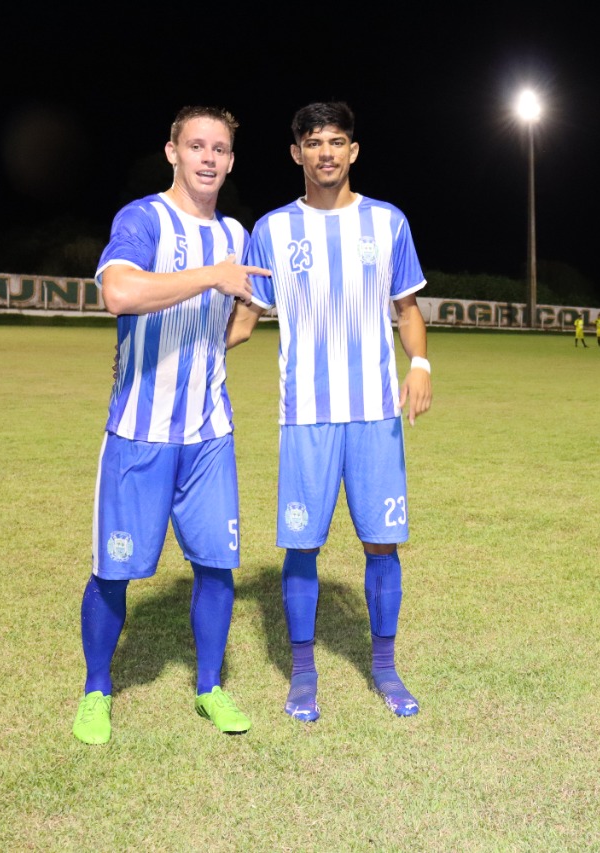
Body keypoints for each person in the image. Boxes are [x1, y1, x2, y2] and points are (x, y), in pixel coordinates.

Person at [72, 106, 271, 745]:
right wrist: (212, 276)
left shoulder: (236, 234)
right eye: (196, 146)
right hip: (139, 429)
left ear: (231, 160)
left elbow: (235, 324)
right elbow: (120, 294)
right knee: (115, 568)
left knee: (217, 567)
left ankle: (210, 687)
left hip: (210, 431)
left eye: (219, 148)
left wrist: (236, 319)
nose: (208, 158)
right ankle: (97, 691)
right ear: (172, 152)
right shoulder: (142, 218)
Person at [227, 101, 432, 721]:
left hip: (374, 411)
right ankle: (304, 673)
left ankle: (386, 668)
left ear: (353, 151)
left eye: (336, 142)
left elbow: (407, 309)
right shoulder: (271, 230)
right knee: (302, 546)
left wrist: (419, 366)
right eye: (313, 143)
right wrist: (191, 350)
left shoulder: (388, 223)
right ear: (296, 153)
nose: (325, 153)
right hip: (305, 416)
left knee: (381, 544)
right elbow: (245, 318)